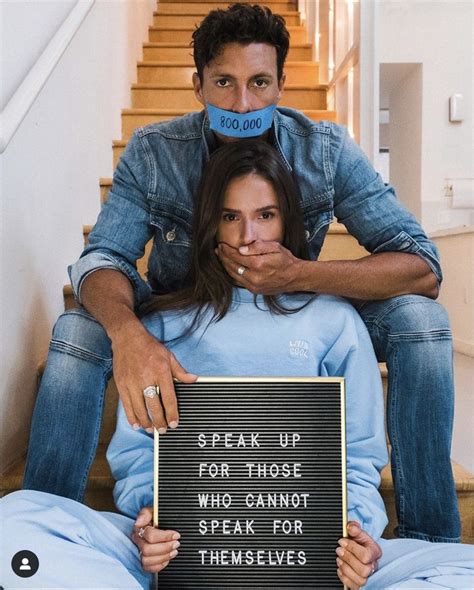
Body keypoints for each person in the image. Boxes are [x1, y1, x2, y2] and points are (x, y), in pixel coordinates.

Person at [23, 3, 460, 543]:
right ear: (198, 86)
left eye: (259, 82)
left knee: (421, 318)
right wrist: (130, 335)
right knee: (76, 328)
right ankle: (41, 536)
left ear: (282, 84)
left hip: (288, 312)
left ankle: (429, 541)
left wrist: (298, 276)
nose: (243, 104)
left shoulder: (324, 152)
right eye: (224, 83)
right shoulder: (155, 152)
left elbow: (421, 265)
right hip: (181, 323)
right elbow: (102, 259)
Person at [4, 141, 473, 589]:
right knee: (18, 522)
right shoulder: (162, 328)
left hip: (308, 553)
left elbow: (360, 455)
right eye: (231, 217)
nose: (249, 237)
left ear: (287, 222)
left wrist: (358, 537)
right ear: (211, 225)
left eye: (265, 216)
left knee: (461, 568)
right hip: (186, 551)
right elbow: (137, 453)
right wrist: (150, 522)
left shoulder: (336, 322)